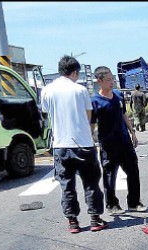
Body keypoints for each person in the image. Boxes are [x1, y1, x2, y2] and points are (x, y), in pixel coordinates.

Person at [40, 55, 107, 233]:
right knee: (91, 183)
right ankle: (95, 219)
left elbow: (47, 113)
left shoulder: (47, 90)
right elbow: (88, 116)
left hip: (60, 145)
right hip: (83, 144)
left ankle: (73, 222)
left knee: (66, 185)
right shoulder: (80, 90)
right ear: (75, 72)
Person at [91, 66, 147, 216]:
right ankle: (112, 204)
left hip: (125, 141)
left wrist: (132, 132)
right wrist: (91, 140)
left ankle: (134, 202)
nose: (112, 82)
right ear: (99, 81)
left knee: (133, 171)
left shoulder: (117, 96)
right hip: (108, 145)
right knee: (110, 176)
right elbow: (91, 124)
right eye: (108, 80)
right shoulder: (95, 101)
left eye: (112, 79)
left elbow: (124, 115)